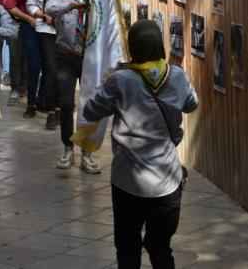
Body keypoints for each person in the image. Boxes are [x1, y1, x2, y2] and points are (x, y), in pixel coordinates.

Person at [83, 20, 198, 269]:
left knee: (127, 248)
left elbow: (91, 111)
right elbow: (191, 104)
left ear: (132, 47)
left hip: (127, 181)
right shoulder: (176, 75)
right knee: (161, 249)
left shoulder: (121, 80)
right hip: (166, 182)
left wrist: (106, 82)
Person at [44, 0, 101, 174]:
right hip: (65, 55)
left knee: (89, 105)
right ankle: (68, 148)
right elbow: (50, 9)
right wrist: (73, 7)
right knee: (66, 103)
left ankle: (87, 152)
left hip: (88, 58)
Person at [27, 0, 65, 130]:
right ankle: (50, 109)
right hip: (44, 30)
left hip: (64, 33)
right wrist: (42, 15)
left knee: (60, 71)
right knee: (50, 69)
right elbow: (31, 4)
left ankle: (59, 107)